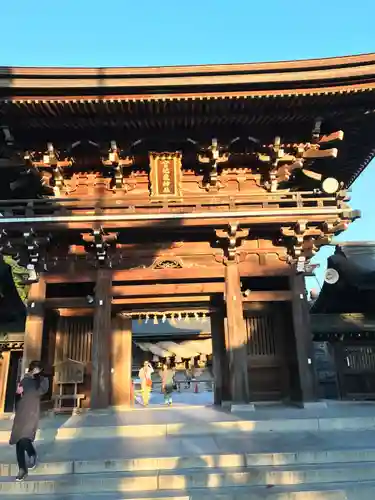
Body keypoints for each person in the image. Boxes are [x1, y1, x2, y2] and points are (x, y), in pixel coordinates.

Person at [9, 360, 49, 482]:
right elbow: (17, 395)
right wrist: (18, 393)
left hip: (32, 412)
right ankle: (22, 469)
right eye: (35, 369)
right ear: (32, 369)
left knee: (24, 437)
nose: (37, 371)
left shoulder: (42, 381)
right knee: (18, 441)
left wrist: (39, 378)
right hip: (21, 412)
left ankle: (32, 453)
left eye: (39, 370)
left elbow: (42, 391)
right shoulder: (24, 380)